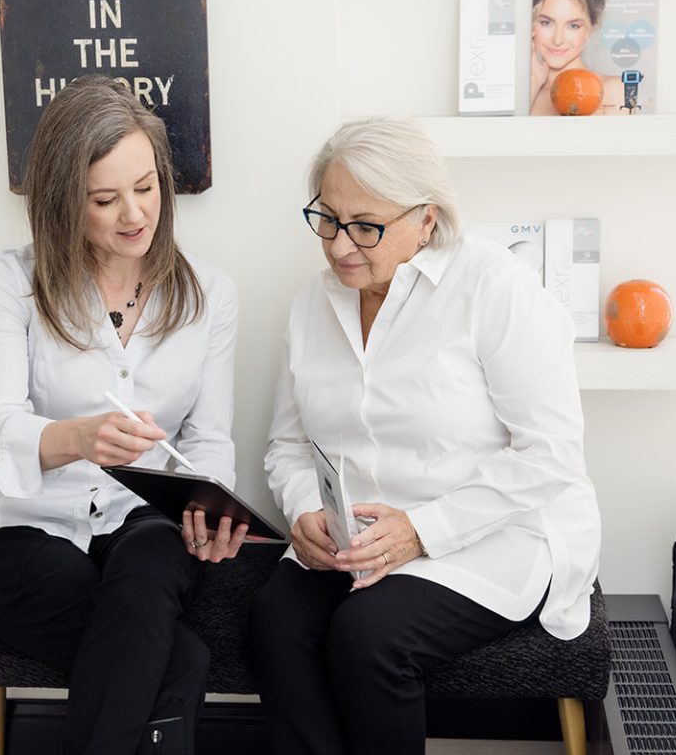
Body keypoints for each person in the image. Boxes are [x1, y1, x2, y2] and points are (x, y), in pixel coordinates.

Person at [248, 117, 601, 755]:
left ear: (427, 218)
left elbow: (551, 455)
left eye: (366, 226)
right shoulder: (311, 305)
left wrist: (420, 531)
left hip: (490, 535)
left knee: (368, 634)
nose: (339, 245)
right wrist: (304, 512)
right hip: (354, 540)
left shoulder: (495, 288)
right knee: (276, 622)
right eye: (327, 218)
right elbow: (289, 446)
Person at [0, 74, 247, 755]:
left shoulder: (210, 293)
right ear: (64, 203)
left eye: (146, 188)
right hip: (23, 525)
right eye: (105, 199)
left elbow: (208, 438)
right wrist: (76, 438)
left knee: (148, 576)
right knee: (178, 658)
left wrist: (213, 511)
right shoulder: (14, 282)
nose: (134, 214)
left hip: (148, 518)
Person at [530, 0, 625, 115]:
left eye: (573, 26)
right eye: (546, 23)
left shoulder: (615, 90)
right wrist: (534, 81)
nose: (558, 40)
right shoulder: (524, 93)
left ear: (590, 29)